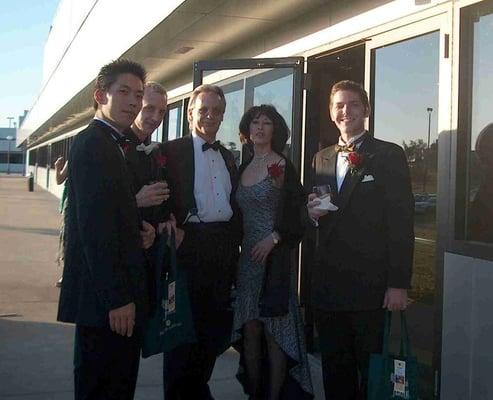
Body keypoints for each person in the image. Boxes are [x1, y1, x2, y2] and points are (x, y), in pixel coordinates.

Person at [306, 80, 414, 400]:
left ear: (366, 110)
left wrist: (398, 283)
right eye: (339, 105)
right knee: (335, 372)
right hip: (328, 286)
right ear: (330, 112)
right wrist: (310, 213)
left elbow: (401, 222)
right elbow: (310, 210)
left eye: (353, 104)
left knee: (371, 373)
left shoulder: (388, 154)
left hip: (370, 287)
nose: (346, 111)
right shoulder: (321, 158)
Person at [57, 59, 156, 400]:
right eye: (124, 92)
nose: (133, 101)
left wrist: (142, 230)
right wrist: (117, 299)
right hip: (107, 305)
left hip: (112, 300)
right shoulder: (94, 145)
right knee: (103, 387)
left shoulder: (114, 142)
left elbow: (114, 213)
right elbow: (94, 230)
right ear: (101, 95)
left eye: (138, 94)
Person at [161, 84, 241, 399]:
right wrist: (168, 222)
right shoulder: (171, 150)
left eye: (216, 111)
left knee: (213, 331)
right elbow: (155, 189)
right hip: (186, 245)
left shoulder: (228, 156)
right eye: (203, 109)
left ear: (223, 116)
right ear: (191, 112)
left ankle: (197, 389)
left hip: (221, 249)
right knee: (180, 333)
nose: (210, 116)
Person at [232, 105, 313, 400]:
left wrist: (274, 238)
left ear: (275, 130)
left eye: (267, 123)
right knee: (250, 328)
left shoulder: (282, 166)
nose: (260, 128)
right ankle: (255, 393)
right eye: (255, 122)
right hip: (247, 263)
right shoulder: (243, 167)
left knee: (274, 331)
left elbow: (298, 212)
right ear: (247, 130)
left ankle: (276, 396)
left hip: (274, 261)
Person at [123, 81, 170, 314]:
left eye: (161, 111)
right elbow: (100, 206)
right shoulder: (114, 147)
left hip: (148, 260)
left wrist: (164, 220)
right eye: (149, 108)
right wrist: (135, 203)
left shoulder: (156, 151)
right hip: (119, 264)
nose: (155, 117)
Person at [54, 155, 68, 287]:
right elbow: (59, 179)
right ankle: (67, 274)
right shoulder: (74, 158)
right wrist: (57, 167)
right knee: (67, 240)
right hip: (71, 206)